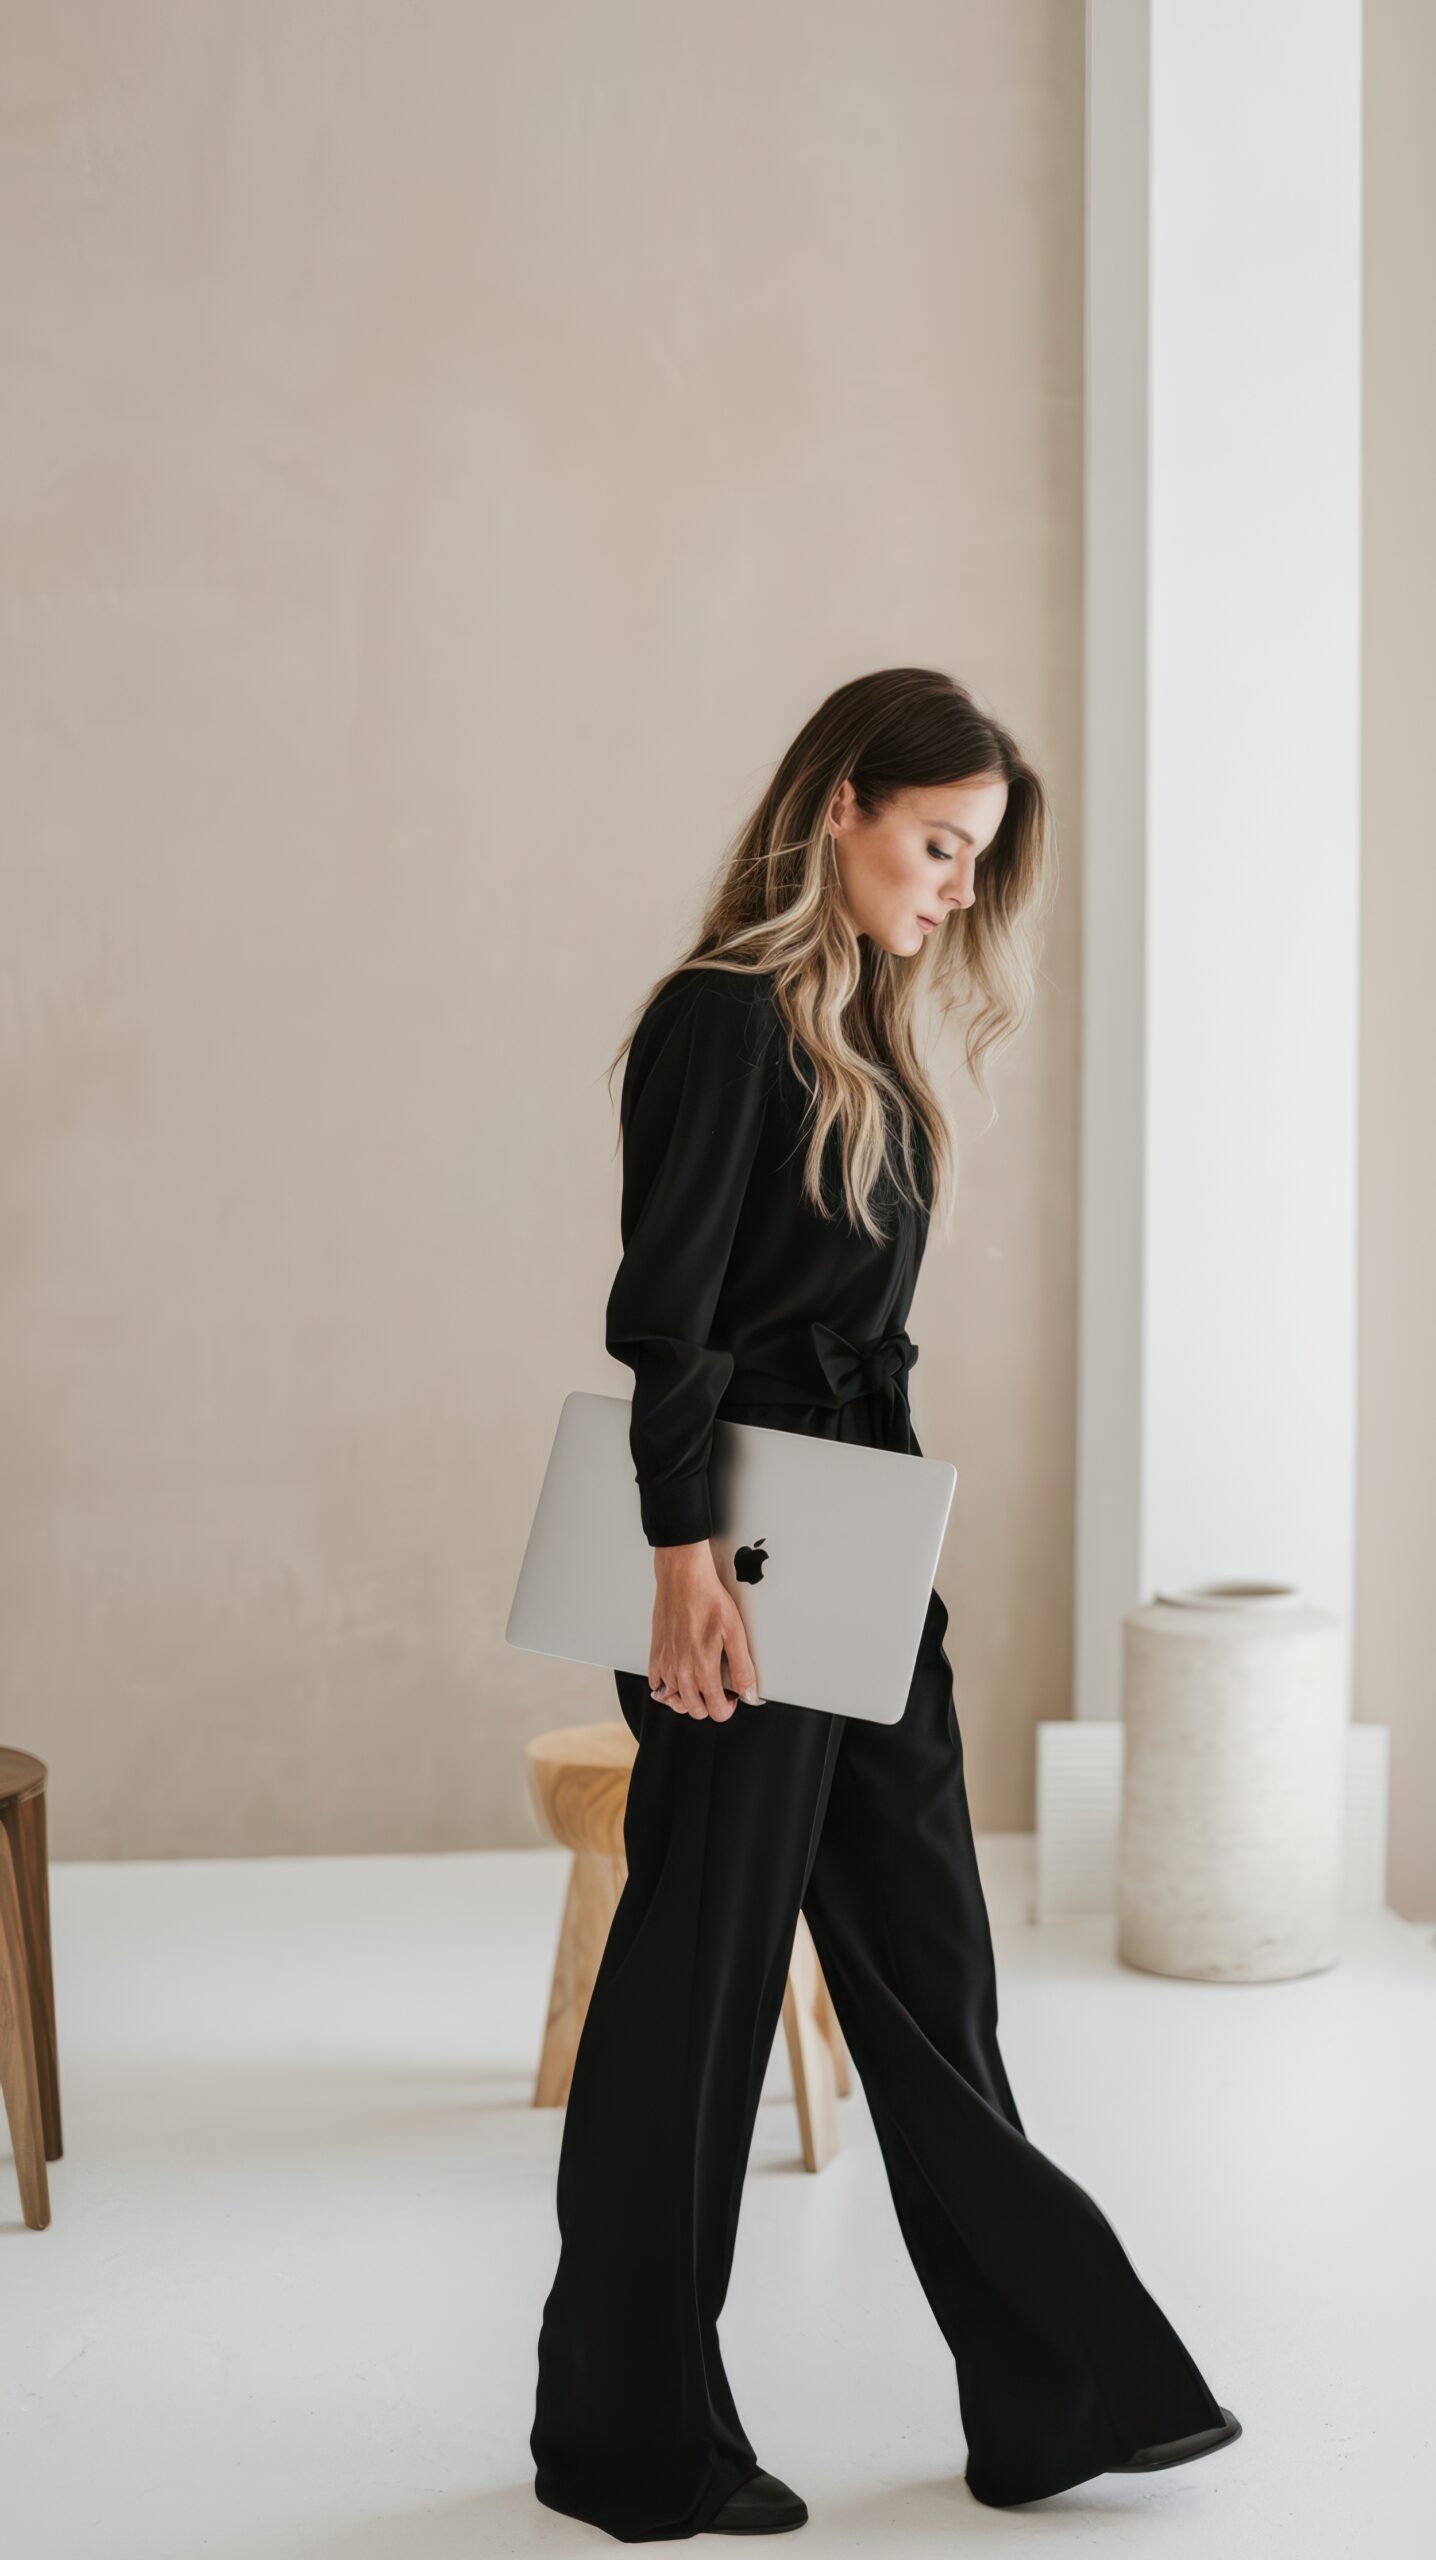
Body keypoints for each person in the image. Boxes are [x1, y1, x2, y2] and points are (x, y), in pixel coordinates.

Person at [530, 668, 1240, 2539]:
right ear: (838, 804)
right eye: (938, 844)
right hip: (735, 1567)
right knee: (698, 1994)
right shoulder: (721, 1019)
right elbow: (666, 1321)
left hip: (858, 1550)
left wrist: (895, 1571)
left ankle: (1056, 2395)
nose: (956, 888)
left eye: (977, 859)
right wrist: (681, 1565)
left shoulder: (859, 1026)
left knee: (934, 1975)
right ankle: (626, 2443)